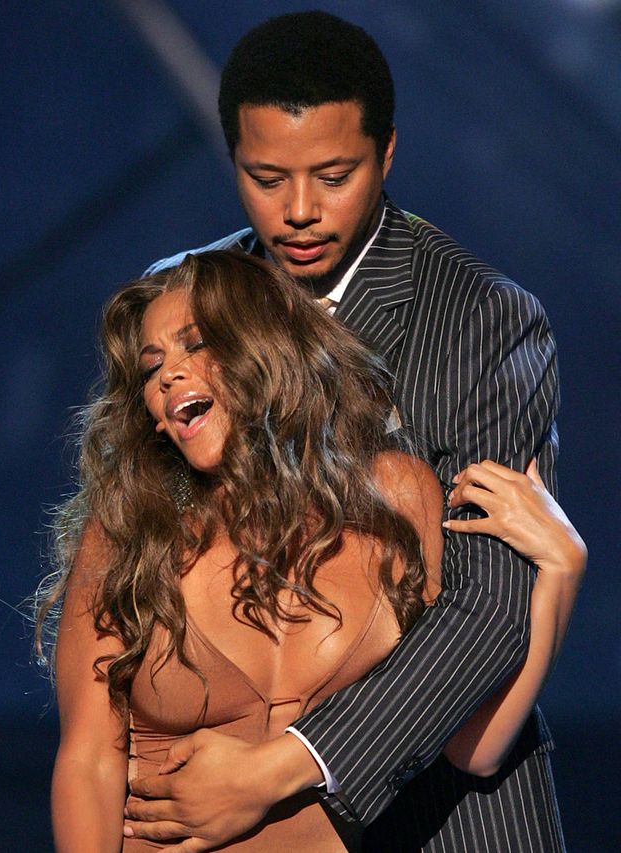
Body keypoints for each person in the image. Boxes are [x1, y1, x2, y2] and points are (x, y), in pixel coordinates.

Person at [125, 12, 566, 851]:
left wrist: (281, 765)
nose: (298, 211)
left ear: (387, 154)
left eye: (334, 175)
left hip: (440, 816)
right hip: (219, 812)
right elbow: (138, 543)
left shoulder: (483, 319)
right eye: (265, 177)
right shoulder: (182, 307)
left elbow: (485, 608)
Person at [39, 251, 584, 851]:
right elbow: (88, 762)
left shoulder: (397, 496)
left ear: (266, 348)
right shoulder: (128, 531)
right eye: (151, 368)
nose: (168, 376)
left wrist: (560, 571)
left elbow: (474, 749)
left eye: (195, 345)